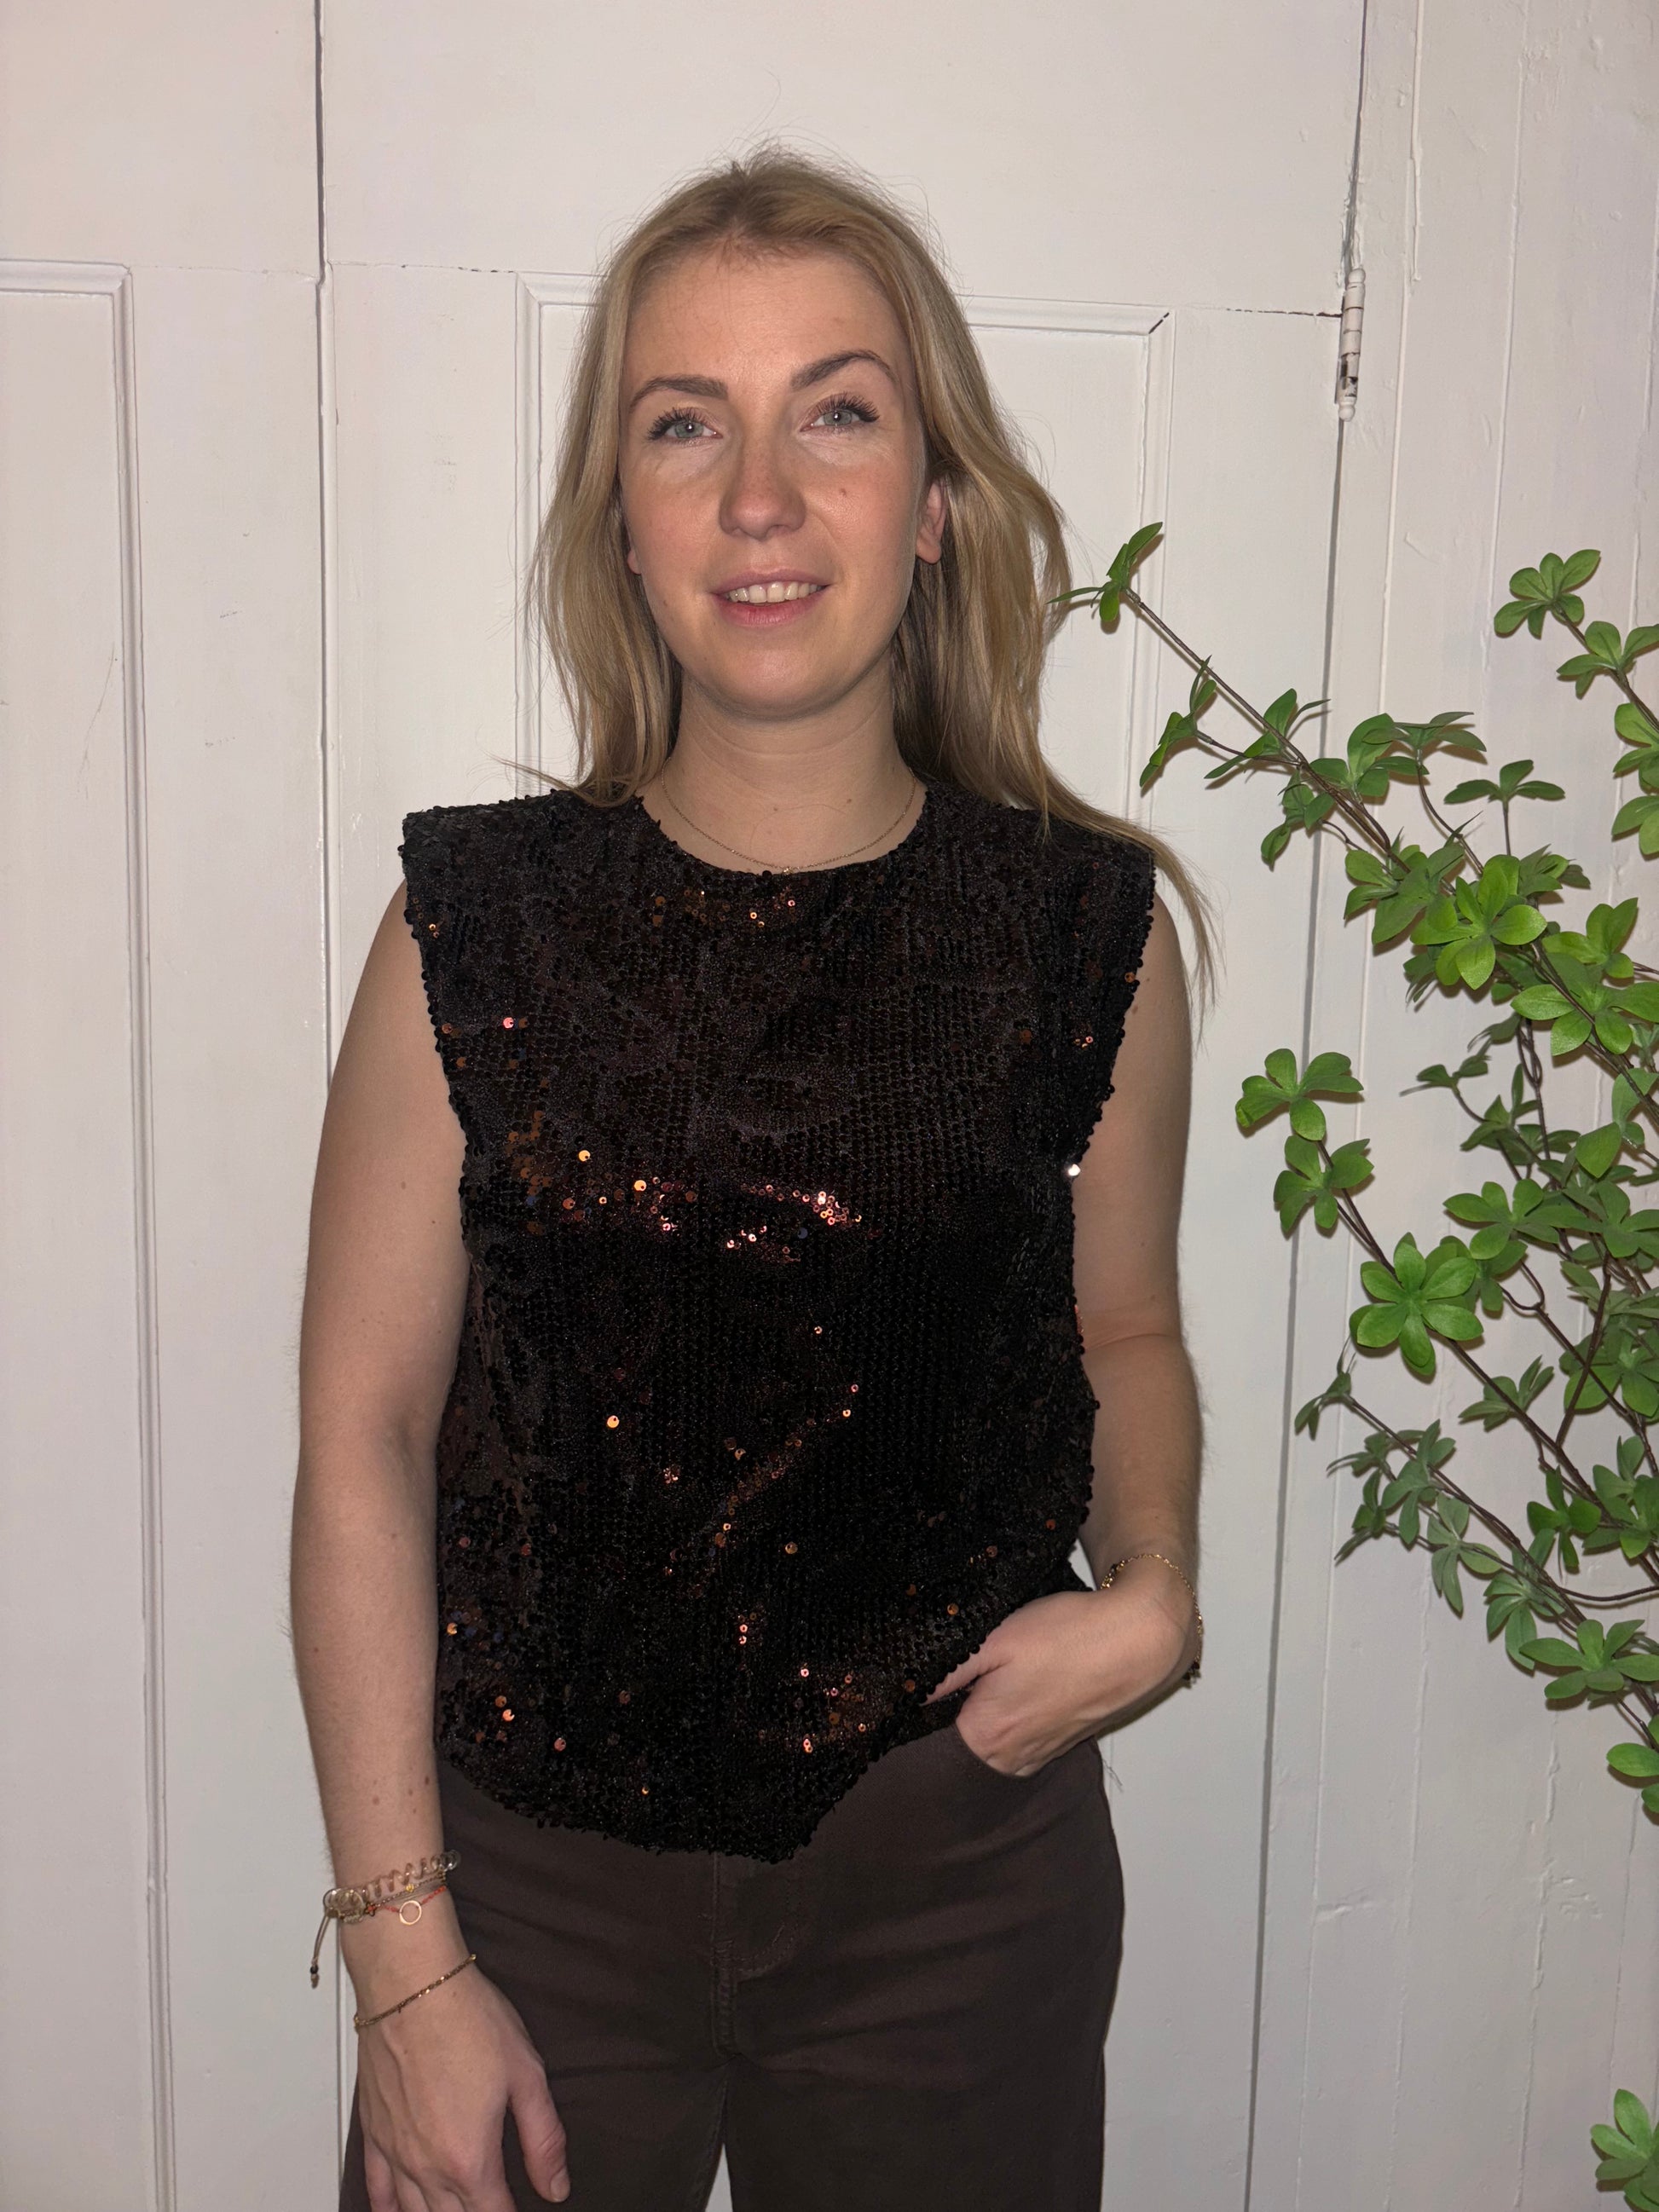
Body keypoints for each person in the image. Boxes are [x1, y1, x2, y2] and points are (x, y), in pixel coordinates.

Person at [291, 142, 1209, 2212]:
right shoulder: (471, 925)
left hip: (954, 1890)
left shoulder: (1088, 933)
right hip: (520, 1901)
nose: (764, 497)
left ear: (934, 500)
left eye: (839, 414)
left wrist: (1153, 1581)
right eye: (686, 424)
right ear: (620, 523)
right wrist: (403, 1964)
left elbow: (1127, 1325)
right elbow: (360, 1433)